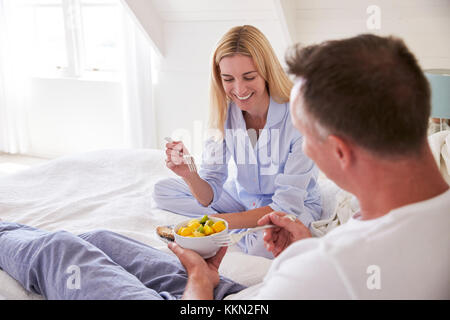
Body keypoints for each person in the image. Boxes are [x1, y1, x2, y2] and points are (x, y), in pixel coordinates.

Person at [1, 33, 448, 300]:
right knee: (98, 240)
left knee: (59, 251)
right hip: (251, 291)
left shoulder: (324, 271)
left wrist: (199, 284)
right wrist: (302, 244)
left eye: (307, 141)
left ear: (340, 152)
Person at [152, 25, 322, 259]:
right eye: (228, 79)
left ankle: (246, 226)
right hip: (244, 199)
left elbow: (286, 206)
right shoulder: (224, 112)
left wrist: (210, 224)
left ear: (266, 72)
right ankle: (247, 223)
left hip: (293, 206)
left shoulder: (299, 117)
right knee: (163, 191)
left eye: (249, 77)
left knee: (260, 247)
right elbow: (209, 191)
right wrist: (189, 174)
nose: (239, 89)